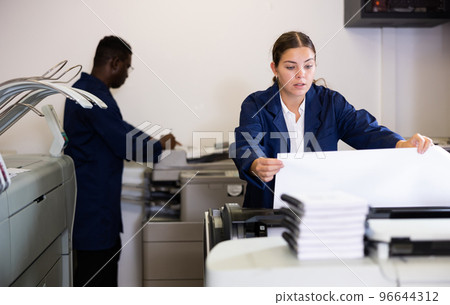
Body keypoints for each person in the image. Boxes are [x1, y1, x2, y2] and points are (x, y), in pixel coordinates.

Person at [232, 31, 433, 209]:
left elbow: (365, 130)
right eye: (291, 67)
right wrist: (255, 163)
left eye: (308, 66)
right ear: (274, 68)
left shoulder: (331, 103)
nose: (301, 75)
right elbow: (246, 144)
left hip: (318, 207)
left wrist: (400, 144)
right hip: (267, 207)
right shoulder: (256, 104)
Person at [64, 36, 180, 287]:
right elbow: (122, 140)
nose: (127, 74)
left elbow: (117, 128)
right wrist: (160, 145)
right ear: (115, 62)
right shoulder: (92, 96)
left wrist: (151, 139)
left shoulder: (89, 90)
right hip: (94, 212)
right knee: (98, 280)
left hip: (96, 206)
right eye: (127, 67)